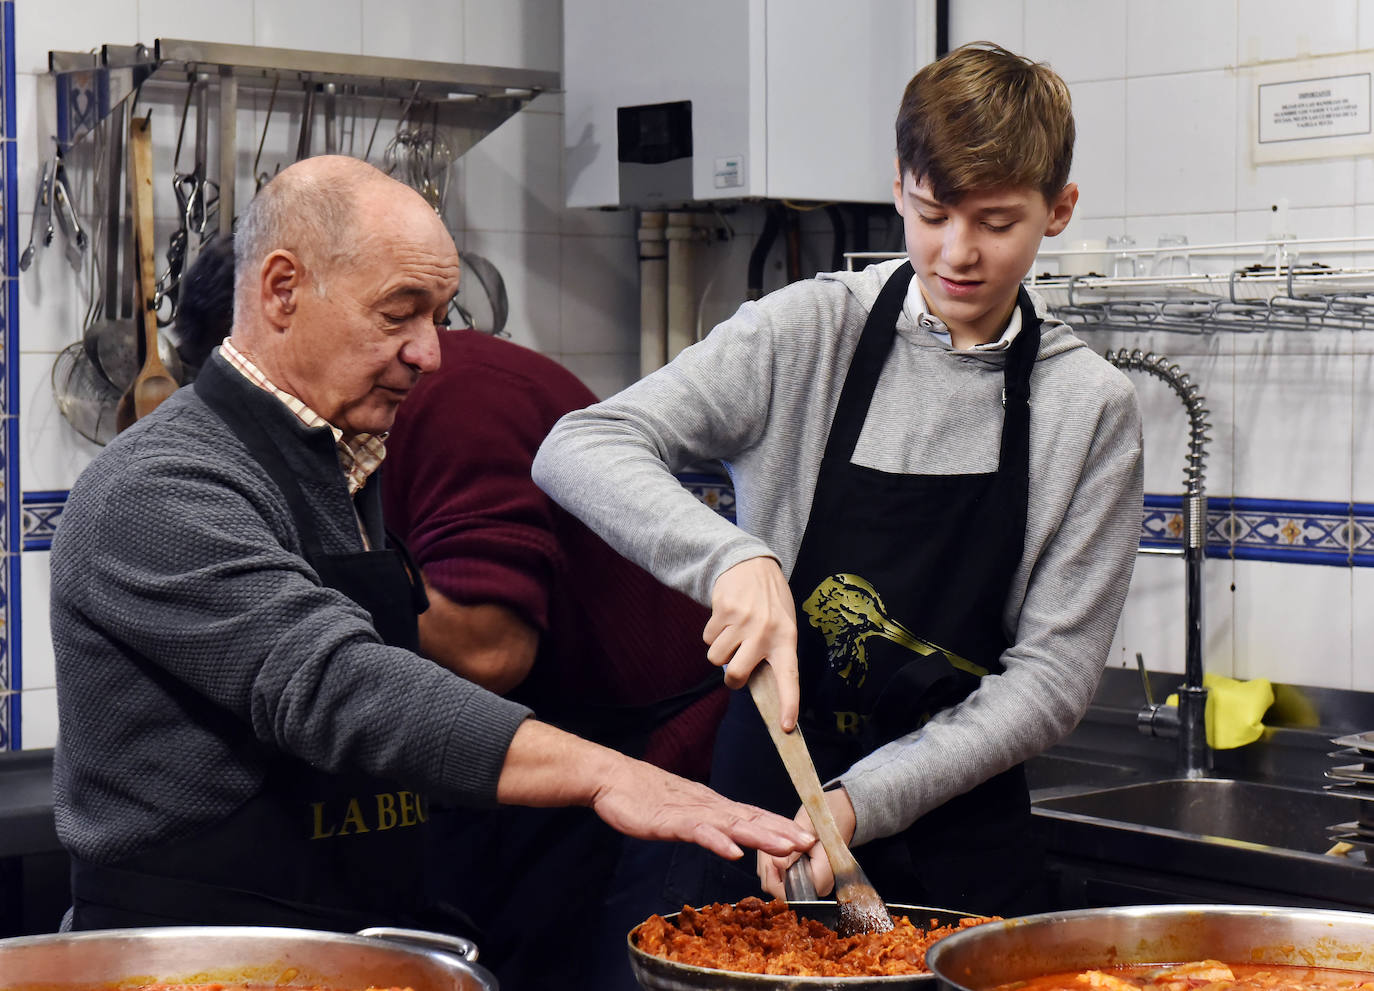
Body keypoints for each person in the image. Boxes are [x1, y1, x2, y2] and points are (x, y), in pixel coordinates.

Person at [48, 154, 814, 934]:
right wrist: (605, 775)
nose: (432, 352)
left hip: (349, 928)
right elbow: (337, 684)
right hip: (194, 951)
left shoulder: (342, 460)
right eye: (399, 312)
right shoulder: (157, 486)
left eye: (438, 316)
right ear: (282, 290)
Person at [532, 42, 1144, 917]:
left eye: (996, 222)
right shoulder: (807, 333)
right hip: (764, 816)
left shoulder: (1088, 405)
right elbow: (579, 445)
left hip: (960, 848)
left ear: (1060, 210)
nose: (957, 252)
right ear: (899, 186)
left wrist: (860, 803)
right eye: (931, 214)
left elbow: (1049, 680)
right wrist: (731, 560)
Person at [381, 326, 729, 990]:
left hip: (660, 746)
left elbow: (490, 649)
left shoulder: (457, 399)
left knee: (619, 973)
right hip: (541, 745)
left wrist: (335, 575)